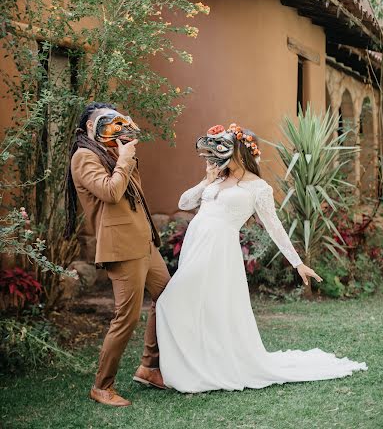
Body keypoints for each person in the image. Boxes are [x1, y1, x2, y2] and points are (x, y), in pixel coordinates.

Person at [156, 123, 367, 393]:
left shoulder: (259, 188)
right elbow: (185, 203)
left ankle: (199, 366)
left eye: (223, 149)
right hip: (196, 243)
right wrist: (207, 180)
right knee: (199, 304)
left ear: (239, 152)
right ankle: (196, 361)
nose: (215, 156)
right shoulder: (217, 177)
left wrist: (297, 262)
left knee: (172, 300)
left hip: (219, 249)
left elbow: (275, 227)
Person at [66, 102, 170, 407]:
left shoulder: (111, 151)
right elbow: (110, 192)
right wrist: (124, 158)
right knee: (126, 317)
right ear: (89, 127)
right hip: (122, 247)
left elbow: (131, 191)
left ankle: (149, 366)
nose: (115, 126)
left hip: (143, 243)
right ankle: (102, 386)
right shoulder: (83, 157)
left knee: (168, 296)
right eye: (107, 122)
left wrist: (125, 149)